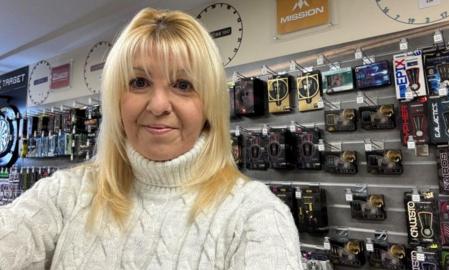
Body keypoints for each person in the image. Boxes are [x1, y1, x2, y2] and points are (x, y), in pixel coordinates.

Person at [0, 7, 303, 269]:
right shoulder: (65, 194)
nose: (158, 105)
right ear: (117, 98)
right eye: (139, 82)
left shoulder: (256, 217)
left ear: (209, 103)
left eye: (183, 85)